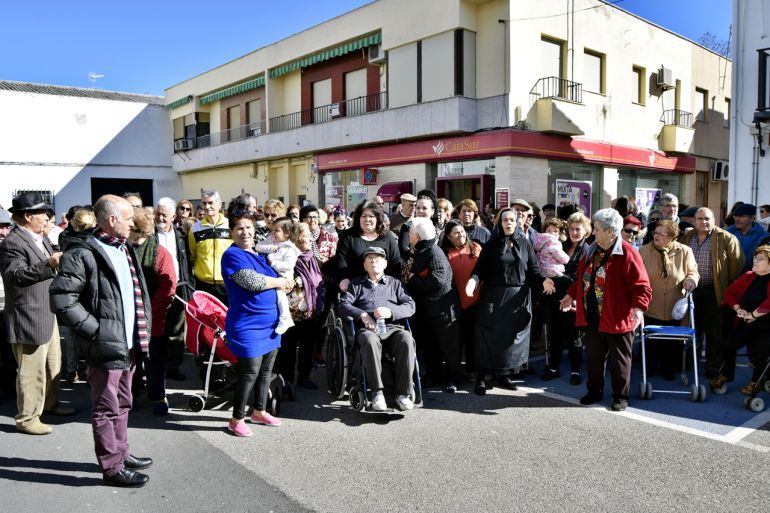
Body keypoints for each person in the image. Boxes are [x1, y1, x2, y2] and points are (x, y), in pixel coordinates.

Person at [50, 195, 153, 487]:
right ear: (111, 220)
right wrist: (96, 332)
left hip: (128, 343)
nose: (133, 222)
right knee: (106, 407)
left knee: (122, 403)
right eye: (128, 217)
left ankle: (120, 454)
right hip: (105, 346)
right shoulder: (83, 252)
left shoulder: (123, 247)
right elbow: (62, 300)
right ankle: (112, 468)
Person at [560, 208, 652, 412]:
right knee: (594, 357)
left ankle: (621, 396)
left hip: (618, 316)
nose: (593, 232)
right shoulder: (592, 249)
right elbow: (584, 277)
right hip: (593, 315)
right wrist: (570, 294)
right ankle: (594, 391)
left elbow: (642, 286)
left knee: (620, 360)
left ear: (611, 232)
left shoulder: (628, 253)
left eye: (598, 229)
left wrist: (639, 309)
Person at [0, 191, 73, 435]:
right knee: (31, 371)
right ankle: (27, 418)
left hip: (46, 311)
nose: (47, 217)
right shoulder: (13, 242)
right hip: (27, 315)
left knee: (53, 364)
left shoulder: (39, 237)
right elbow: (16, 276)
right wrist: (49, 264)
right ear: (28, 216)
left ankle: (50, 405)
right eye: (43, 213)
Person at [466, 208, 555, 395]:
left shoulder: (525, 244)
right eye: (505, 220)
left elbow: (534, 269)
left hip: (518, 297)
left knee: (511, 340)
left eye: (511, 220)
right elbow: (479, 269)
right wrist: (472, 281)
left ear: (517, 223)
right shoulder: (491, 245)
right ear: (499, 223)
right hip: (493, 297)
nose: (508, 223)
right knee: (487, 338)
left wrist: (544, 280)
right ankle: (482, 377)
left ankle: (505, 375)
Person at [220, 213, 293, 437]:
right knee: (249, 372)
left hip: (271, 324)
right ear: (232, 232)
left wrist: (288, 282)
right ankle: (236, 419)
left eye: (249, 228)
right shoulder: (232, 255)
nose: (245, 232)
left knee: (265, 371)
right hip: (247, 325)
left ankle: (259, 411)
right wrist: (280, 282)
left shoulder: (259, 253)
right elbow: (252, 282)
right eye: (240, 228)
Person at [338, 246, 417, 411]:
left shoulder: (395, 283)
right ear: (365, 265)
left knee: (407, 339)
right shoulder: (357, 284)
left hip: (392, 327)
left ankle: (403, 393)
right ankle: (377, 393)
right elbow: (343, 304)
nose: (374, 262)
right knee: (369, 340)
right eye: (370, 259)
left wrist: (391, 312)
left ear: (385, 264)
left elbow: (410, 305)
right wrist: (362, 314)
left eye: (378, 259)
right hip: (368, 329)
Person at [680, 208, 744, 378]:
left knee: (714, 332)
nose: (703, 222)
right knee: (693, 329)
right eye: (700, 219)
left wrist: (725, 286)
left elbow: (737, 264)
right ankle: (689, 364)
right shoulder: (687, 237)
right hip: (690, 292)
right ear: (694, 220)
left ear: (714, 219)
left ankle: (713, 366)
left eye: (707, 218)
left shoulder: (726, 238)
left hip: (713, 292)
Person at [406, 217, 462, 392]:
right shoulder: (422, 250)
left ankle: (453, 378)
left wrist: (413, 280)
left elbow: (439, 281)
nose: (408, 235)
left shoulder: (433, 252)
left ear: (417, 236)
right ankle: (434, 376)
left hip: (443, 311)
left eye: (410, 233)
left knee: (448, 348)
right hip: (428, 311)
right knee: (431, 347)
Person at [639, 220, 699, 380]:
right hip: (651, 305)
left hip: (675, 306)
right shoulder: (644, 251)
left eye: (660, 233)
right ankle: (648, 368)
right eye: (655, 232)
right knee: (651, 341)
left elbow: (693, 272)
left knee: (673, 342)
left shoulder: (685, 251)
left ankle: (669, 369)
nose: (656, 236)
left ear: (672, 236)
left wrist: (691, 280)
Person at [710, 245, 770, 396]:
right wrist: (738, 309)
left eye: (760, 258)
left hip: (767, 327)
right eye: (755, 257)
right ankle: (727, 374)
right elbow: (731, 293)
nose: (755, 260)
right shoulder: (749, 275)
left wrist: (754, 315)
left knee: (762, 353)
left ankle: (756, 381)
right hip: (747, 323)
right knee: (728, 344)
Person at [542, 212, 592, 384]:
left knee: (574, 336)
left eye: (578, 229)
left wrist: (561, 280)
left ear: (586, 230)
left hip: (575, 297)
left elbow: (584, 276)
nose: (574, 232)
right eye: (571, 228)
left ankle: (575, 371)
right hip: (555, 297)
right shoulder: (560, 245)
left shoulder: (588, 249)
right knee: (555, 333)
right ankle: (554, 368)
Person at [278, 222, 325, 390]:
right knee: (288, 347)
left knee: (308, 346)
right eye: (306, 235)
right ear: (296, 237)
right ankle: (287, 379)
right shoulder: (288, 257)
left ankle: (304, 377)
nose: (309, 238)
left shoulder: (312, 258)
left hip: (310, 311)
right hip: (291, 312)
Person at [155, 197, 192, 382]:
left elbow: (186, 262)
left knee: (176, 331)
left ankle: (173, 367)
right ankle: (155, 367)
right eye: (158, 213)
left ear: (173, 217)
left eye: (164, 215)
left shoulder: (180, 236)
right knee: (157, 330)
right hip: (156, 289)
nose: (160, 218)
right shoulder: (150, 235)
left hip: (178, 288)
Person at [441, 219, 481, 373]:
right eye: (456, 233)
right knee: (457, 339)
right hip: (454, 302)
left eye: (462, 231)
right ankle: (455, 371)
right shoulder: (444, 253)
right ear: (449, 236)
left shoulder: (476, 247)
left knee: (473, 338)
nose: (461, 235)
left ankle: (472, 368)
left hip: (476, 301)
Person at [336, 201, 402, 291]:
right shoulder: (348, 235)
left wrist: (392, 285)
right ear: (358, 218)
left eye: (371, 216)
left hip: (383, 287)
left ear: (378, 218)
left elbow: (395, 264)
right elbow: (341, 259)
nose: (367, 219)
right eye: (364, 216)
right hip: (354, 287)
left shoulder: (388, 236)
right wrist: (343, 278)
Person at [256, 217, 301, 334]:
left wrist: (273, 263)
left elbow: (288, 265)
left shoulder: (290, 249)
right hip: (273, 276)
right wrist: (270, 248)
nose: (273, 233)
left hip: (284, 277)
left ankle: (285, 318)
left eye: (277, 230)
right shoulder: (271, 242)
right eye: (273, 230)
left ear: (287, 233)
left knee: (280, 295)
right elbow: (257, 247)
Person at [189, 189, 232, 304]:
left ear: (219, 204)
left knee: (226, 320)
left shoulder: (230, 226)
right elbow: (193, 256)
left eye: (211, 203)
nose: (207, 206)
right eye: (204, 203)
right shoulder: (195, 228)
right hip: (203, 285)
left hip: (227, 283)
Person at [727, 203, 768, 273]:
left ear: (752, 218)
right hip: (730, 278)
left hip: (752, 278)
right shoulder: (727, 234)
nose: (737, 219)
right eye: (735, 216)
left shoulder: (763, 236)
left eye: (742, 216)